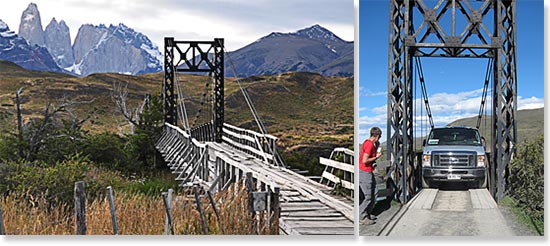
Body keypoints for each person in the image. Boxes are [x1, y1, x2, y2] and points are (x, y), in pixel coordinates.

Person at [359, 127, 382, 224]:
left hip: (368, 171)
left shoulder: (369, 143)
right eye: (379, 137)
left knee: (375, 192)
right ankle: (361, 216)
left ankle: (367, 213)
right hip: (365, 172)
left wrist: (377, 145)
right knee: (368, 195)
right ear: (377, 136)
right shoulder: (369, 145)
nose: (380, 138)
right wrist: (376, 157)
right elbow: (365, 160)